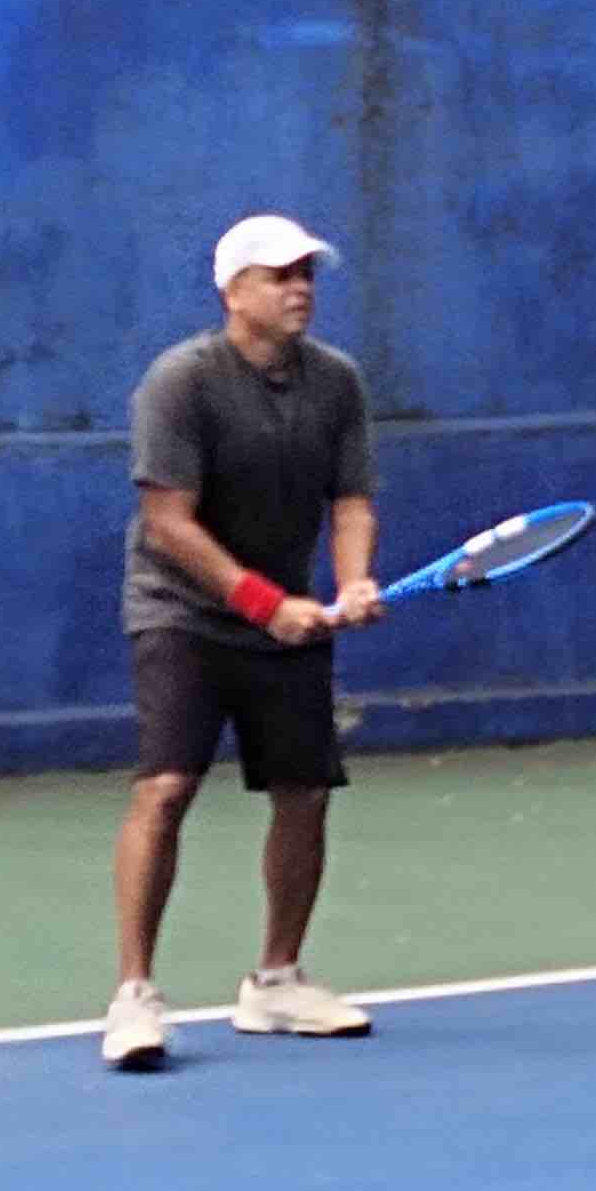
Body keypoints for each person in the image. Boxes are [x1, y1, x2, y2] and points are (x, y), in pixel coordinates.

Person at [100, 213, 385, 1070]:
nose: (299, 289)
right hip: (181, 612)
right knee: (167, 787)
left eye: (307, 275)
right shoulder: (180, 382)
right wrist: (265, 604)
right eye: (278, 276)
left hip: (286, 614)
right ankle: (134, 996)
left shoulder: (337, 383)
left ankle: (277, 982)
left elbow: (350, 503)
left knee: (304, 792)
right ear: (232, 292)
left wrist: (354, 582)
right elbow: (168, 523)